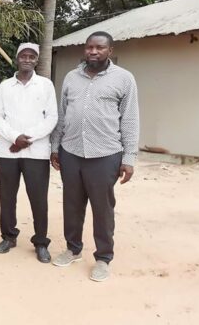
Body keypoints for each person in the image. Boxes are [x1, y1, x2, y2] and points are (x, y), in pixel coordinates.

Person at [50, 31, 139, 281]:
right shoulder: (71, 77)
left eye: (99, 48)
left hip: (105, 154)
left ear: (110, 51)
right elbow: (62, 114)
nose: (93, 52)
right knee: (72, 205)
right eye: (89, 47)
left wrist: (129, 157)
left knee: (103, 209)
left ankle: (103, 258)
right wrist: (55, 147)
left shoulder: (124, 79)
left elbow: (130, 119)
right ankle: (73, 248)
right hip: (71, 152)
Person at [0, 43, 58, 263]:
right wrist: (14, 138)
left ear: (37, 60)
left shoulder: (46, 85)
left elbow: (51, 118)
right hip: (8, 152)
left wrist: (25, 139)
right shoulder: (4, 86)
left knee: (38, 199)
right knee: (7, 198)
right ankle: (9, 237)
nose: (27, 59)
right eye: (23, 56)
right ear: (17, 58)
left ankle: (41, 242)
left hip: (36, 152)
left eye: (32, 56)